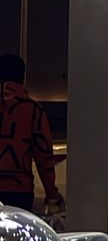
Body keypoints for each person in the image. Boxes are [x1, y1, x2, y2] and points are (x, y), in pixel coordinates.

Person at [0, 54, 64, 215]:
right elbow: (44, 158)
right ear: (22, 78)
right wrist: (51, 193)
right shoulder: (33, 110)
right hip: (19, 192)